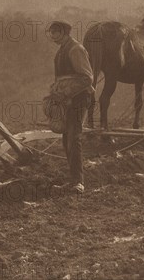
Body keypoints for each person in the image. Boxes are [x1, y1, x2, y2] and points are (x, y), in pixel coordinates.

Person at [47, 20, 94, 194]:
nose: (52, 36)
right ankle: (73, 180)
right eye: (51, 32)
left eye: (55, 32)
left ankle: (78, 182)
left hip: (79, 99)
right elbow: (63, 78)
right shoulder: (61, 51)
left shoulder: (76, 50)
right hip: (66, 100)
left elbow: (87, 78)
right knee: (67, 139)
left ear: (65, 33)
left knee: (74, 138)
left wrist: (65, 93)